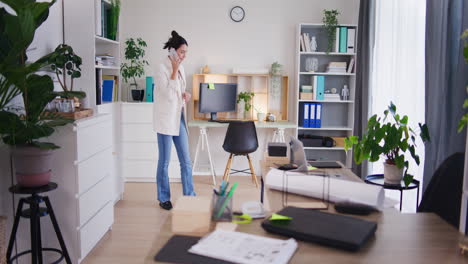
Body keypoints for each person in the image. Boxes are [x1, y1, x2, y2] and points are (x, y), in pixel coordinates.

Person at [153, 30, 195, 210]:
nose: (184, 56)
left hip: (178, 118)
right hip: (165, 121)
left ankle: (190, 196)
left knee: (186, 160)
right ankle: (163, 197)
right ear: (172, 51)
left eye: (186, 52)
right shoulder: (161, 67)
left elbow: (177, 93)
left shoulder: (182, 68)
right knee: (164, 161)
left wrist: (184, 94)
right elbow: (167, 95)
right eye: (182, 52)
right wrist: (175, 70)